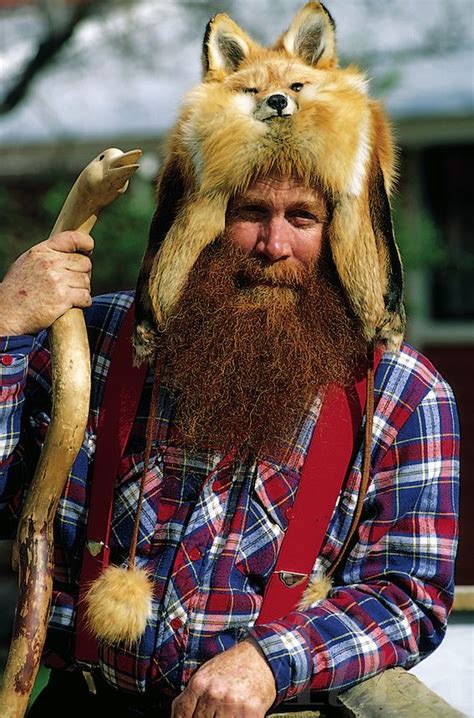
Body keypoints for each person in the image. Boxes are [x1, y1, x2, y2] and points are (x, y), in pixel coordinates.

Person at [0, 4, 460, 718]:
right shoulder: (95, 341)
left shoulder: (405, 394)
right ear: (202, 214)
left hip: (279, 713)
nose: (273, 245)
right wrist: (4, 329)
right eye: (249, 210)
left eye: (302, 218)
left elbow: (409, 596)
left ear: (339, 228)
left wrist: (272, 662)